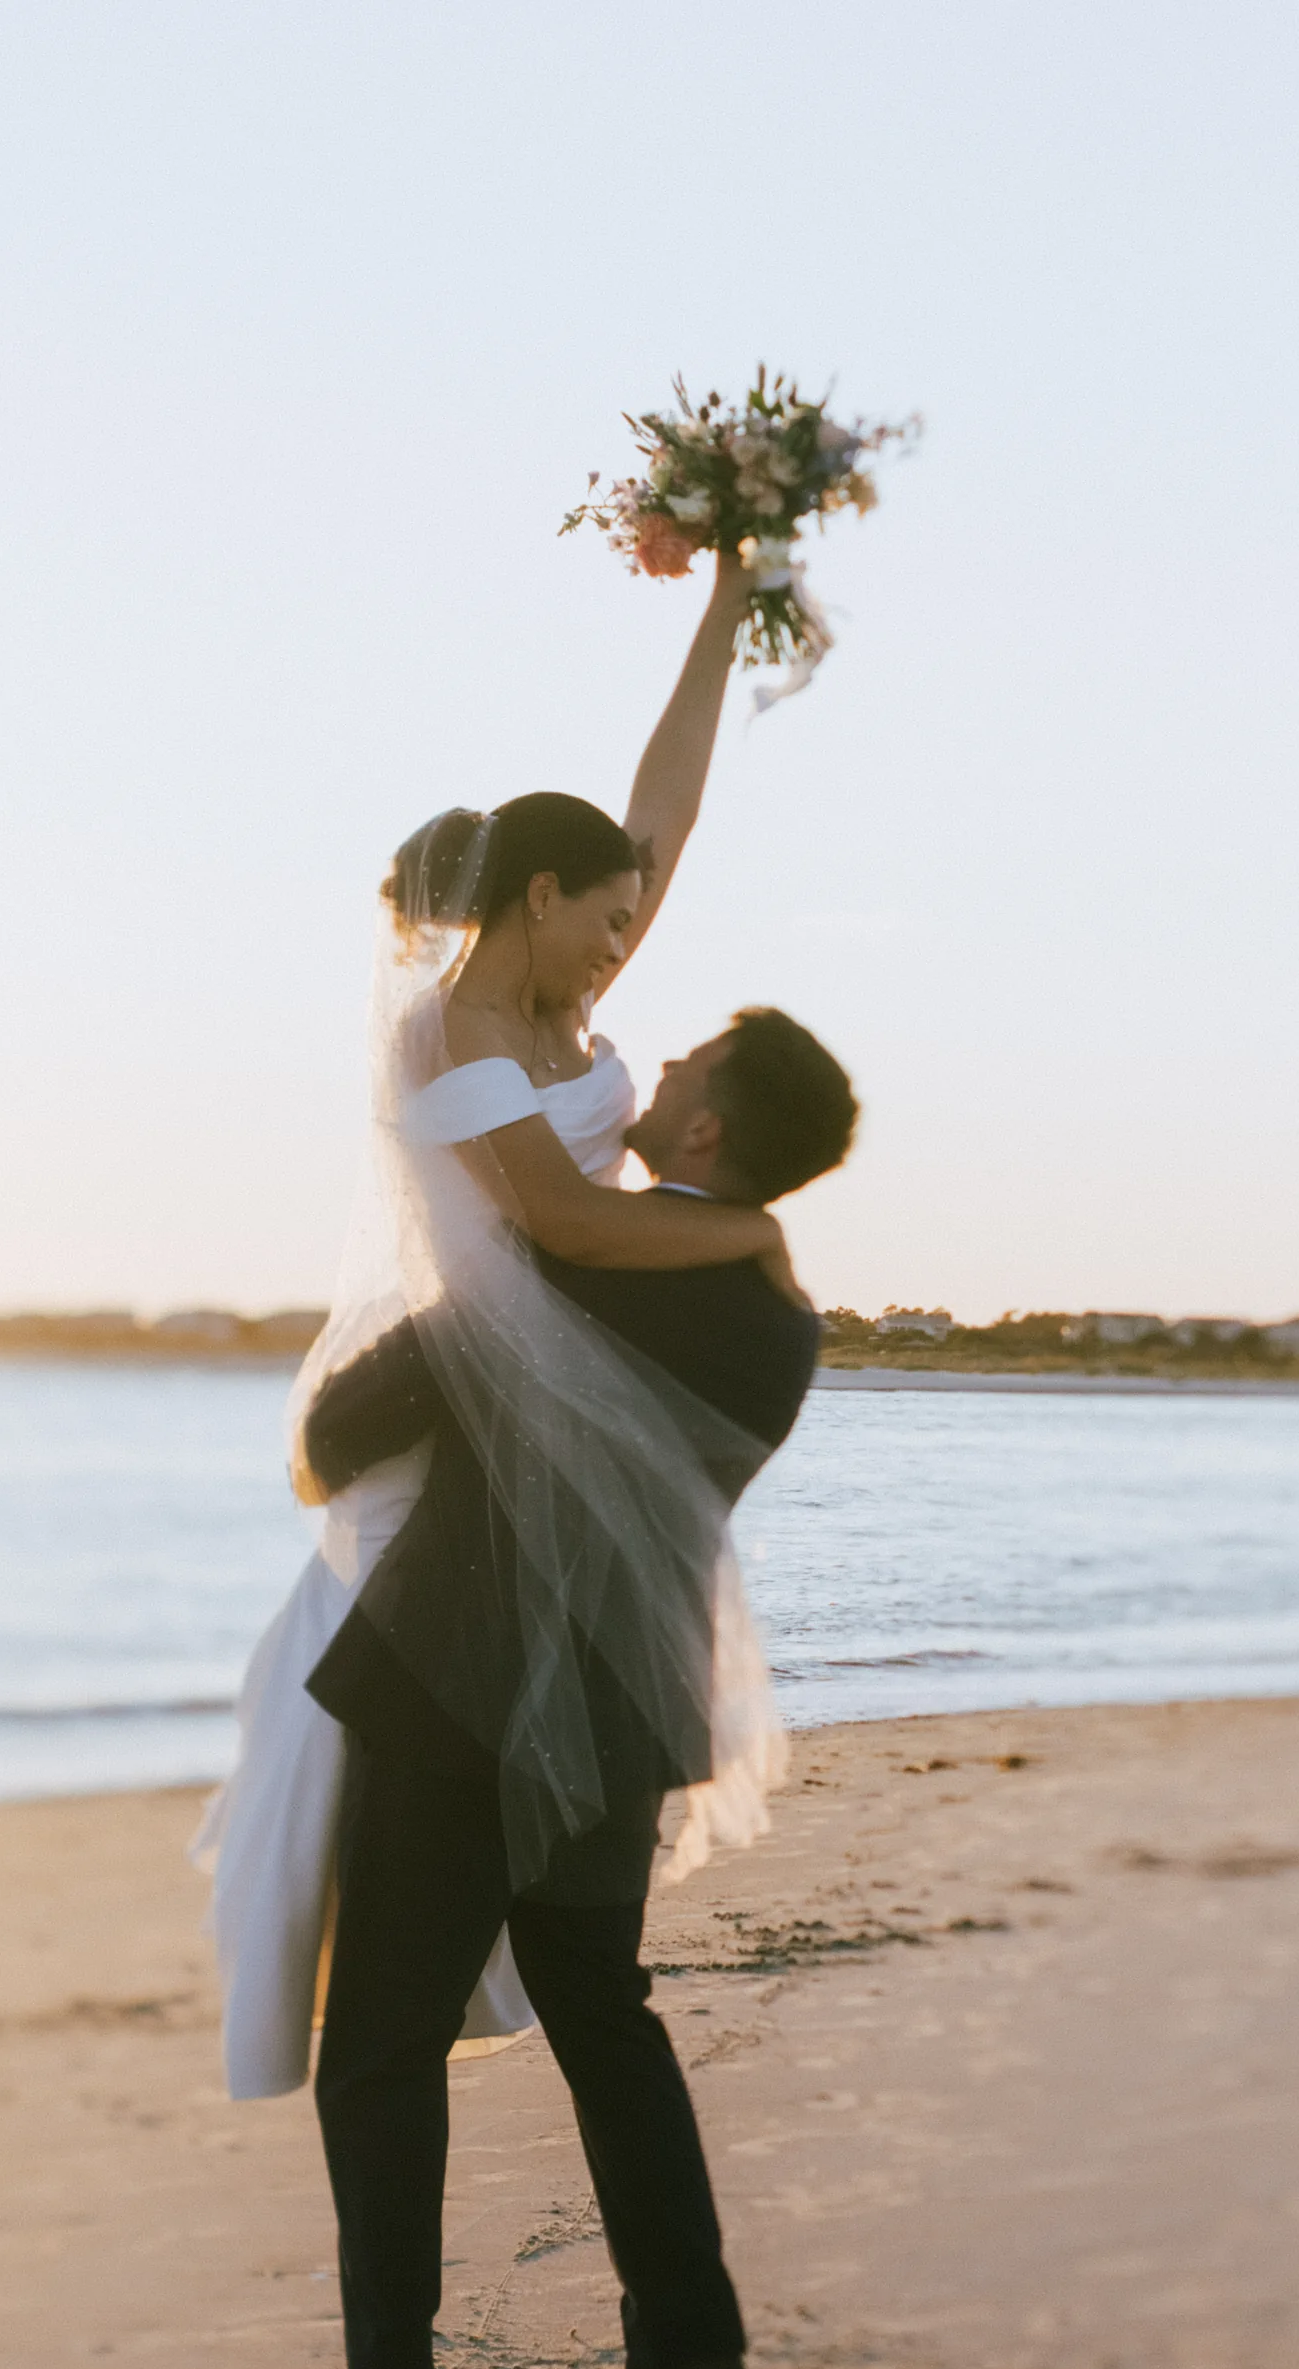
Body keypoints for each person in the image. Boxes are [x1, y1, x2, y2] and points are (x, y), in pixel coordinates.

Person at [195, 552, 782, 2102]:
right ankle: (386, 1945)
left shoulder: (570, 1007)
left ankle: (497, 1938)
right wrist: (742, 1230)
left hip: (573, 1373)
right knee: (417, 1663)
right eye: (605, 916)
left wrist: (727, 594)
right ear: (536, 899)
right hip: (482, 1359)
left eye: (630, 919)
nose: (625, 940)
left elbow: (670, 810)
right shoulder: (446, 1029)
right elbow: (545, 1216)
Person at [275, 1004, 860, 2369]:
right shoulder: (779, 1319)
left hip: (457, 1691)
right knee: (608, 2022)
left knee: (385, 2044)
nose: (653, 1073)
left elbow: (349, 1426)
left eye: (686, 1069)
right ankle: (694, 2366)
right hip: (626, 1710)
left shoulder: (568, 1262)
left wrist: (339, 1431)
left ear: (710, 1130)